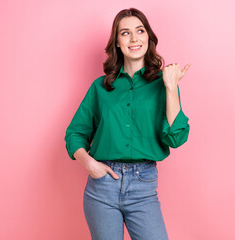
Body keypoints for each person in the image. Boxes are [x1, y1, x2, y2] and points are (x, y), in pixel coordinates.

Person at [64, 8, 191, 240]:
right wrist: (90, 164)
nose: (134, 38)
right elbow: (75, 134)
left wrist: (171, 87)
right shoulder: (100, 87)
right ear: (117, 43)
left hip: (144, 186)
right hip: (102, 186)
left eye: (140, 31)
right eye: (125, 33)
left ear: (148, 38)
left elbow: (176, 138)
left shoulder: (164, 85)